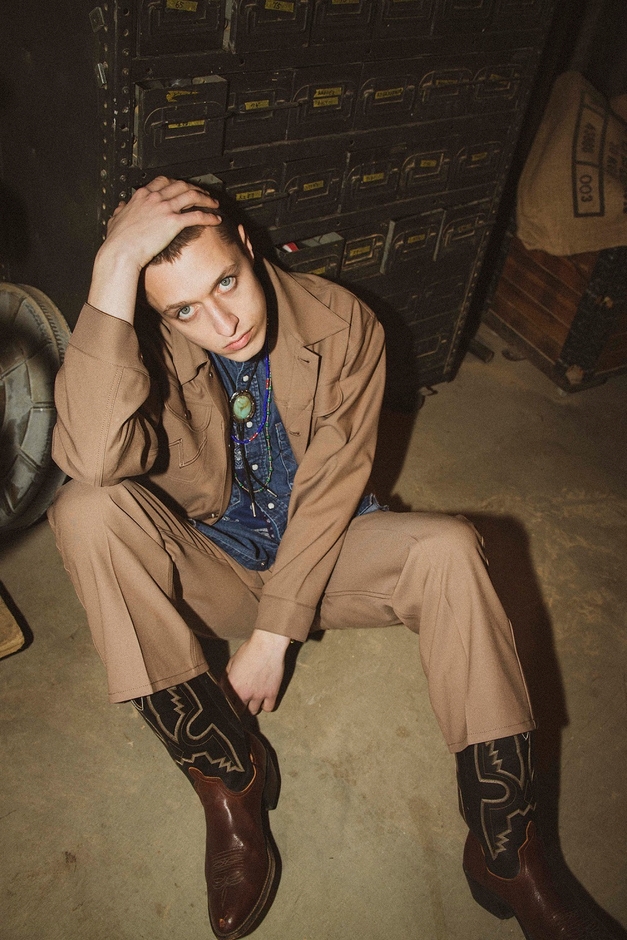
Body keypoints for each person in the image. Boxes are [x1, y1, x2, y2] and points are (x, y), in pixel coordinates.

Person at [48, 177, 616, 940]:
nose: (221, 323)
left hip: (325, 558)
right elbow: (90, 459)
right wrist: (113, 267)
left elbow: (329, 491)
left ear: (246, 247)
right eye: (183, 310)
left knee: (451, 549)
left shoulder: (343, 323)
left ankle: (507, 849)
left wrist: (272, 638)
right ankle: (229, 777)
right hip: (210, 566)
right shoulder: (137, 350)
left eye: (225, 282)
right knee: (84, 510)